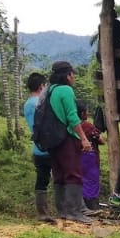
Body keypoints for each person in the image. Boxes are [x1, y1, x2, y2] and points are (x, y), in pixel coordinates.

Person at [43, 60, 94, 223]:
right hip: (66, 138)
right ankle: (74, 211)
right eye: (73, 75)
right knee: (73, 173)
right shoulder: (66, 90)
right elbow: (72, 117)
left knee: (59, 174)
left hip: (52, 139)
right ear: (68, 75)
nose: (74, 78)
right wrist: (84, 139)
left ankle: (63, 211)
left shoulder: (49, 90)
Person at [22, 72, 53, 222]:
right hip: (49, 146)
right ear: (41, 86)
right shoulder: (39, 103)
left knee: (42, 179)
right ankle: (62, 210)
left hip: (37, 147)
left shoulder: (27, 104)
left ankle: (42, 212)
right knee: (59, 177)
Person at [77, 103, 104, 211]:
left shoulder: (71, 126)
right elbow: (101, 140)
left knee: (81, 180)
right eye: (86, 111)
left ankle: (81, 206)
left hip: (77, 157)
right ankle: (92, 207)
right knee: (92, 181)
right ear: (82, 113)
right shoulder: (87, 126)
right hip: (89, 157)